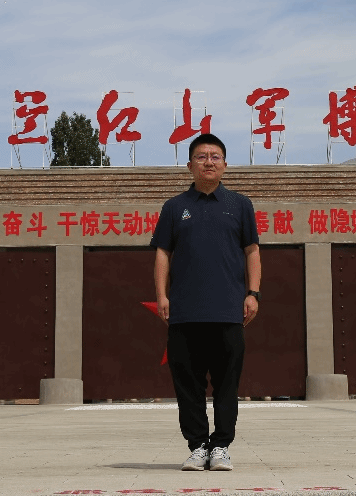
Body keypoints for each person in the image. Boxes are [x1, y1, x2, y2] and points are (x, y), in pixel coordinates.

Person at [151, 133, 261, 472]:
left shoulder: (240, 205)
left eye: (215, 156)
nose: (208, 162)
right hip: (185, 312)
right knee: (189, 385)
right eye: (201, 157)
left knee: (227, 385)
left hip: (229, 311)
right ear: (190, 165)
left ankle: (222, 446)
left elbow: (252, 251)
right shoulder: (174, 207)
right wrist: (162, 295)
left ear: (225, 165)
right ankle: (198, 446)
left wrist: (253, 293)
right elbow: (162, 253)